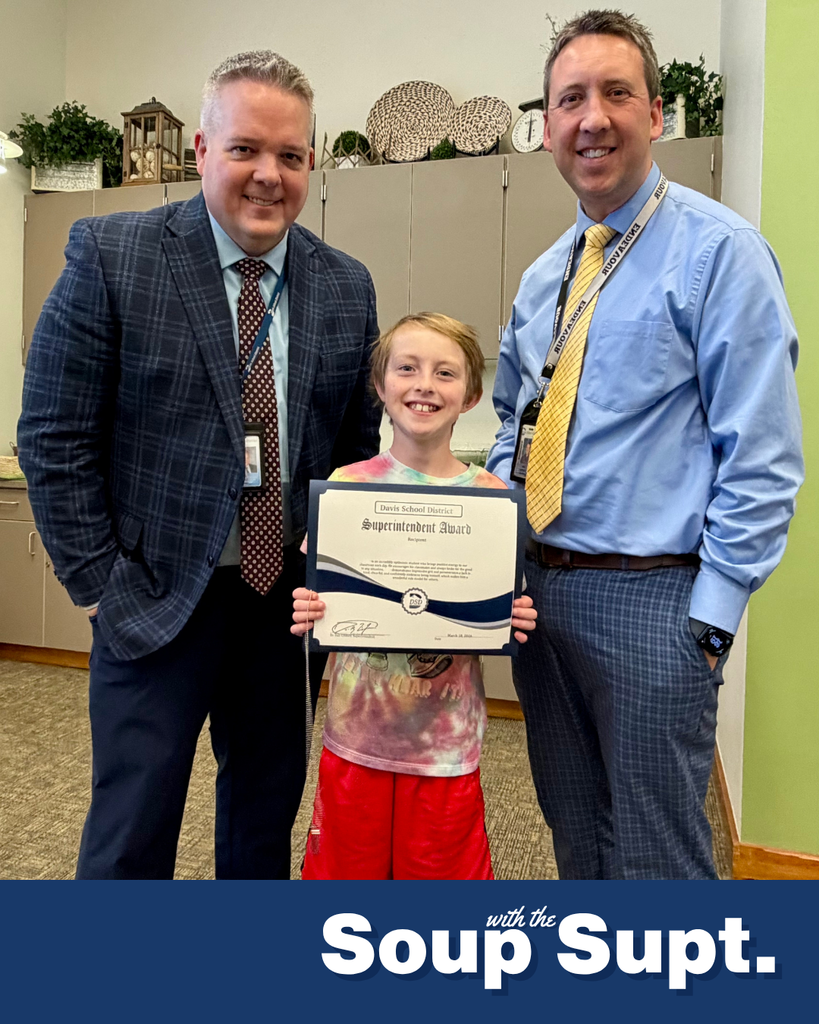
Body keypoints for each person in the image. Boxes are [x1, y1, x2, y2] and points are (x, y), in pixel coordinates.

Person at [17, 51, 382, 879]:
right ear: (202, 152)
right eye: (246, 149)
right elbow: (51, 434)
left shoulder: (345, 286)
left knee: (261, 828)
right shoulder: (113, 254)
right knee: (132, 833)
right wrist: (100, 585)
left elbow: (355, 453)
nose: (267, 175)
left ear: (311, 164)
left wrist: (353, 592)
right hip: (153, 597)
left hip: (281, 607)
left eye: (289, 156)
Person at [487, 10, 803, 879]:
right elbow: (511, 424)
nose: (592, 117)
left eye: (615, 93)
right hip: (538, 597)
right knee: (574, 836)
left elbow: (763, 457)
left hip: (653, 603)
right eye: (569, 100)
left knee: (659, 859)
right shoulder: (546, 273)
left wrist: (708, 620)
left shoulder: (719, 253)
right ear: (546, 127)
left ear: (655, 114)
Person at [290, 313, 537, 879]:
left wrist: (512, 615)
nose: (424, 384)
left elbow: (500, 604)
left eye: (445, 372)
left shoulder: (493, 500)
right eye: (407, 369)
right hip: (357, 740)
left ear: (471, 395)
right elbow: (318, 595)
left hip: (445, 749)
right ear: (381, 388)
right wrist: (309, 610)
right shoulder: (346, 489)